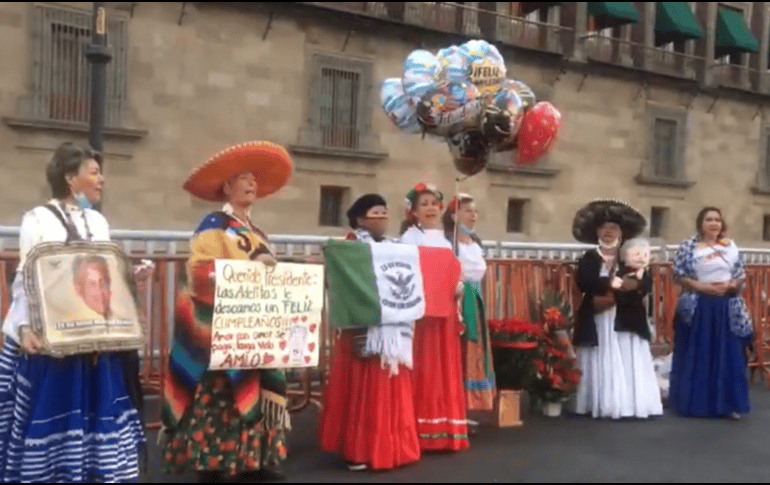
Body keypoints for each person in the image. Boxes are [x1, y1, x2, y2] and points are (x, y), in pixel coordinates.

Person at [0, 142, 147, 482]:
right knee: (52, 416)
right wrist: (25, 328)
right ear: (70, 179)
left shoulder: (97, 221)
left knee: (94, 418)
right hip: (52, 343)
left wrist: (128, 285)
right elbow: (26, 278)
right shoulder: (37, 220)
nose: (102, 179)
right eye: (94, 172)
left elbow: (103, 275)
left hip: (93, 342)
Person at [161, 141, 293, 482]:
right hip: (221, 326)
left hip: (253, 326)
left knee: (255, 386)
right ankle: (217, 463)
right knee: (222, 396)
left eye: (253, 180)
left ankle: (253, 459)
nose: (251, 185)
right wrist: (249, 273)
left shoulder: (256, 232)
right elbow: (199, 271)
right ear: (227, 187)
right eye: (243, 179)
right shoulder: (215, 225)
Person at [319, 194, 421, 472]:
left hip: (392, 330)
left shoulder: (396, 248)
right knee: (364, 392)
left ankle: (394, 447)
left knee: (390, 387)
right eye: (376, 212)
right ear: (361, 218)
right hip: (364, 330)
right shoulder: (351, 246)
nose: (383, 217)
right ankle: (361, 448)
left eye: (385, 211)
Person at [571, 199, 663, 419]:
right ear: (597, 232)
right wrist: (608, 284)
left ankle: (629, 404)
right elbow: (585, 281)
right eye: (605, 228)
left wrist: (636, 285)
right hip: (600, 315)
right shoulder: (590, 257)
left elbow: (646, 281)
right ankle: (602, 402)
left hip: (627, 315)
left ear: (621, 232)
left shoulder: (630, 253)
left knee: (627, 355)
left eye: (613, 228)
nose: (609, 232)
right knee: (601, 355)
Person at [399, 183, 468, 452]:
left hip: (445, 312)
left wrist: (458, 285)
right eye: (423, 204)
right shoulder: (409, 240)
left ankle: (446, 427)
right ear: (413, 212)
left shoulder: (448, 239)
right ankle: (421, 426)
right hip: (422, 315)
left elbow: (458, 272)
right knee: (425, 367)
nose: (430, 208)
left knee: (445, 367)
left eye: (433, 203)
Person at [669, 207, 752, 420]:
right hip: (699, 305)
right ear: (700, 223)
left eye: (717, 220)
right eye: (709, 219)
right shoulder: (689, 246)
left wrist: (732, 285)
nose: (714, 223)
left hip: (726, 305)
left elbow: (740, 274)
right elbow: (678, 275)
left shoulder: (730, 246)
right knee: (700, 352)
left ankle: (729, 405)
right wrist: (699, 286)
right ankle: (694, 404)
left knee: (728, 354)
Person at [443, 194, 495, 432]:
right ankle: (451, 408)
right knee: (457, 350)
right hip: (457, 298)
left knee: (473, 352)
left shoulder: (474, 243)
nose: (473, 215)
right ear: (454, 216)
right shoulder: (448, 243)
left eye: (474, 211)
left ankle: (467, 405)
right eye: (467, 211)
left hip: (474, 298)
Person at [69, 255, 113, 320]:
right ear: (78, 289)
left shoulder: (124, 320)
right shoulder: (71, 324)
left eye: (104, 283)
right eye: (92, 284)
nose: (100, 291)